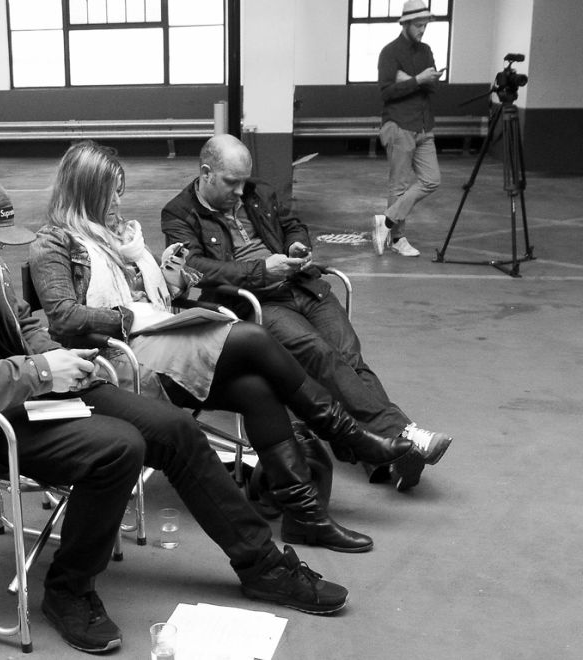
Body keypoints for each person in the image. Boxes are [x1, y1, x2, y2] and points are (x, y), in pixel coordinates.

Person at [0, 169, 349, 655]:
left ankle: (263, 566)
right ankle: (68, 589)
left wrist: (60, 360)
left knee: (176, 428)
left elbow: (24, 325)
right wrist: (40, 372)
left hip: (28, 392)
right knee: (117, 448)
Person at [29, 140, 430, 556]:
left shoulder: (121, 237)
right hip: (119, 363)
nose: (118, 201)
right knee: (254, 337)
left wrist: (172, 281)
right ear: (86, 192)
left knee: (256, 389)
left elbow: (154, 296)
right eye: (111, 193)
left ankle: (305, 517)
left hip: (158, 340)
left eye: (120, 191)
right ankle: (349, 436)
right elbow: (65, 318)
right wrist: (132, 316)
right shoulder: (53, 243)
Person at [161, 133, 452, 491]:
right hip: (256, 302)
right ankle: (404, 434)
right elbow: (196, 268)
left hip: (303, 286)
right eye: (231, 182)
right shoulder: (179, 213)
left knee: (349, 357)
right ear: (206, 173)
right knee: (320, 355)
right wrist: (261, 271)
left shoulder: (259, 192)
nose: (240, 191)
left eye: (243, 181)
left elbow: (293, 225)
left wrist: (297, 245)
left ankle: (384, 456)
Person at [372, 0, 444, 258]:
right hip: (399, 124)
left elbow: (433, 86)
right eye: (418, 25)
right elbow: (386, 91)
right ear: (405, 24)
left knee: (432, 180)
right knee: (399, 186)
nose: (422, 30)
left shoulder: (426, 50)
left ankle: (387, 220)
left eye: (425, 25)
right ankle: (397, 239)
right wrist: (418, 80)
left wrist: (411, 79)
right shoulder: (389, 53)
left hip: (424, 125)